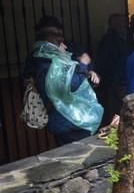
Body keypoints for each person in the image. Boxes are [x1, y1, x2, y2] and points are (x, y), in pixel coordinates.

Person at [22, 16, 103, 145]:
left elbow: (77, 74)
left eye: (60, 33)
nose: (61, 40)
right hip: (69, 118)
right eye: (54, 34)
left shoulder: (59, 53)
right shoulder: (42, 59)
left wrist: (90, 74)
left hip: (73, 117)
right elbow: (65, 85)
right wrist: (82, 64)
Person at [96, 13, 130, 123]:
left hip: (120, 80)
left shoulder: (123, 37)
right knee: (116, 111)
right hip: (115, 82)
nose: (125, 25)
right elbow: (107, 63)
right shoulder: (109, 40)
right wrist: (117, 82)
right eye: (122, 23)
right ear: (114, 24)